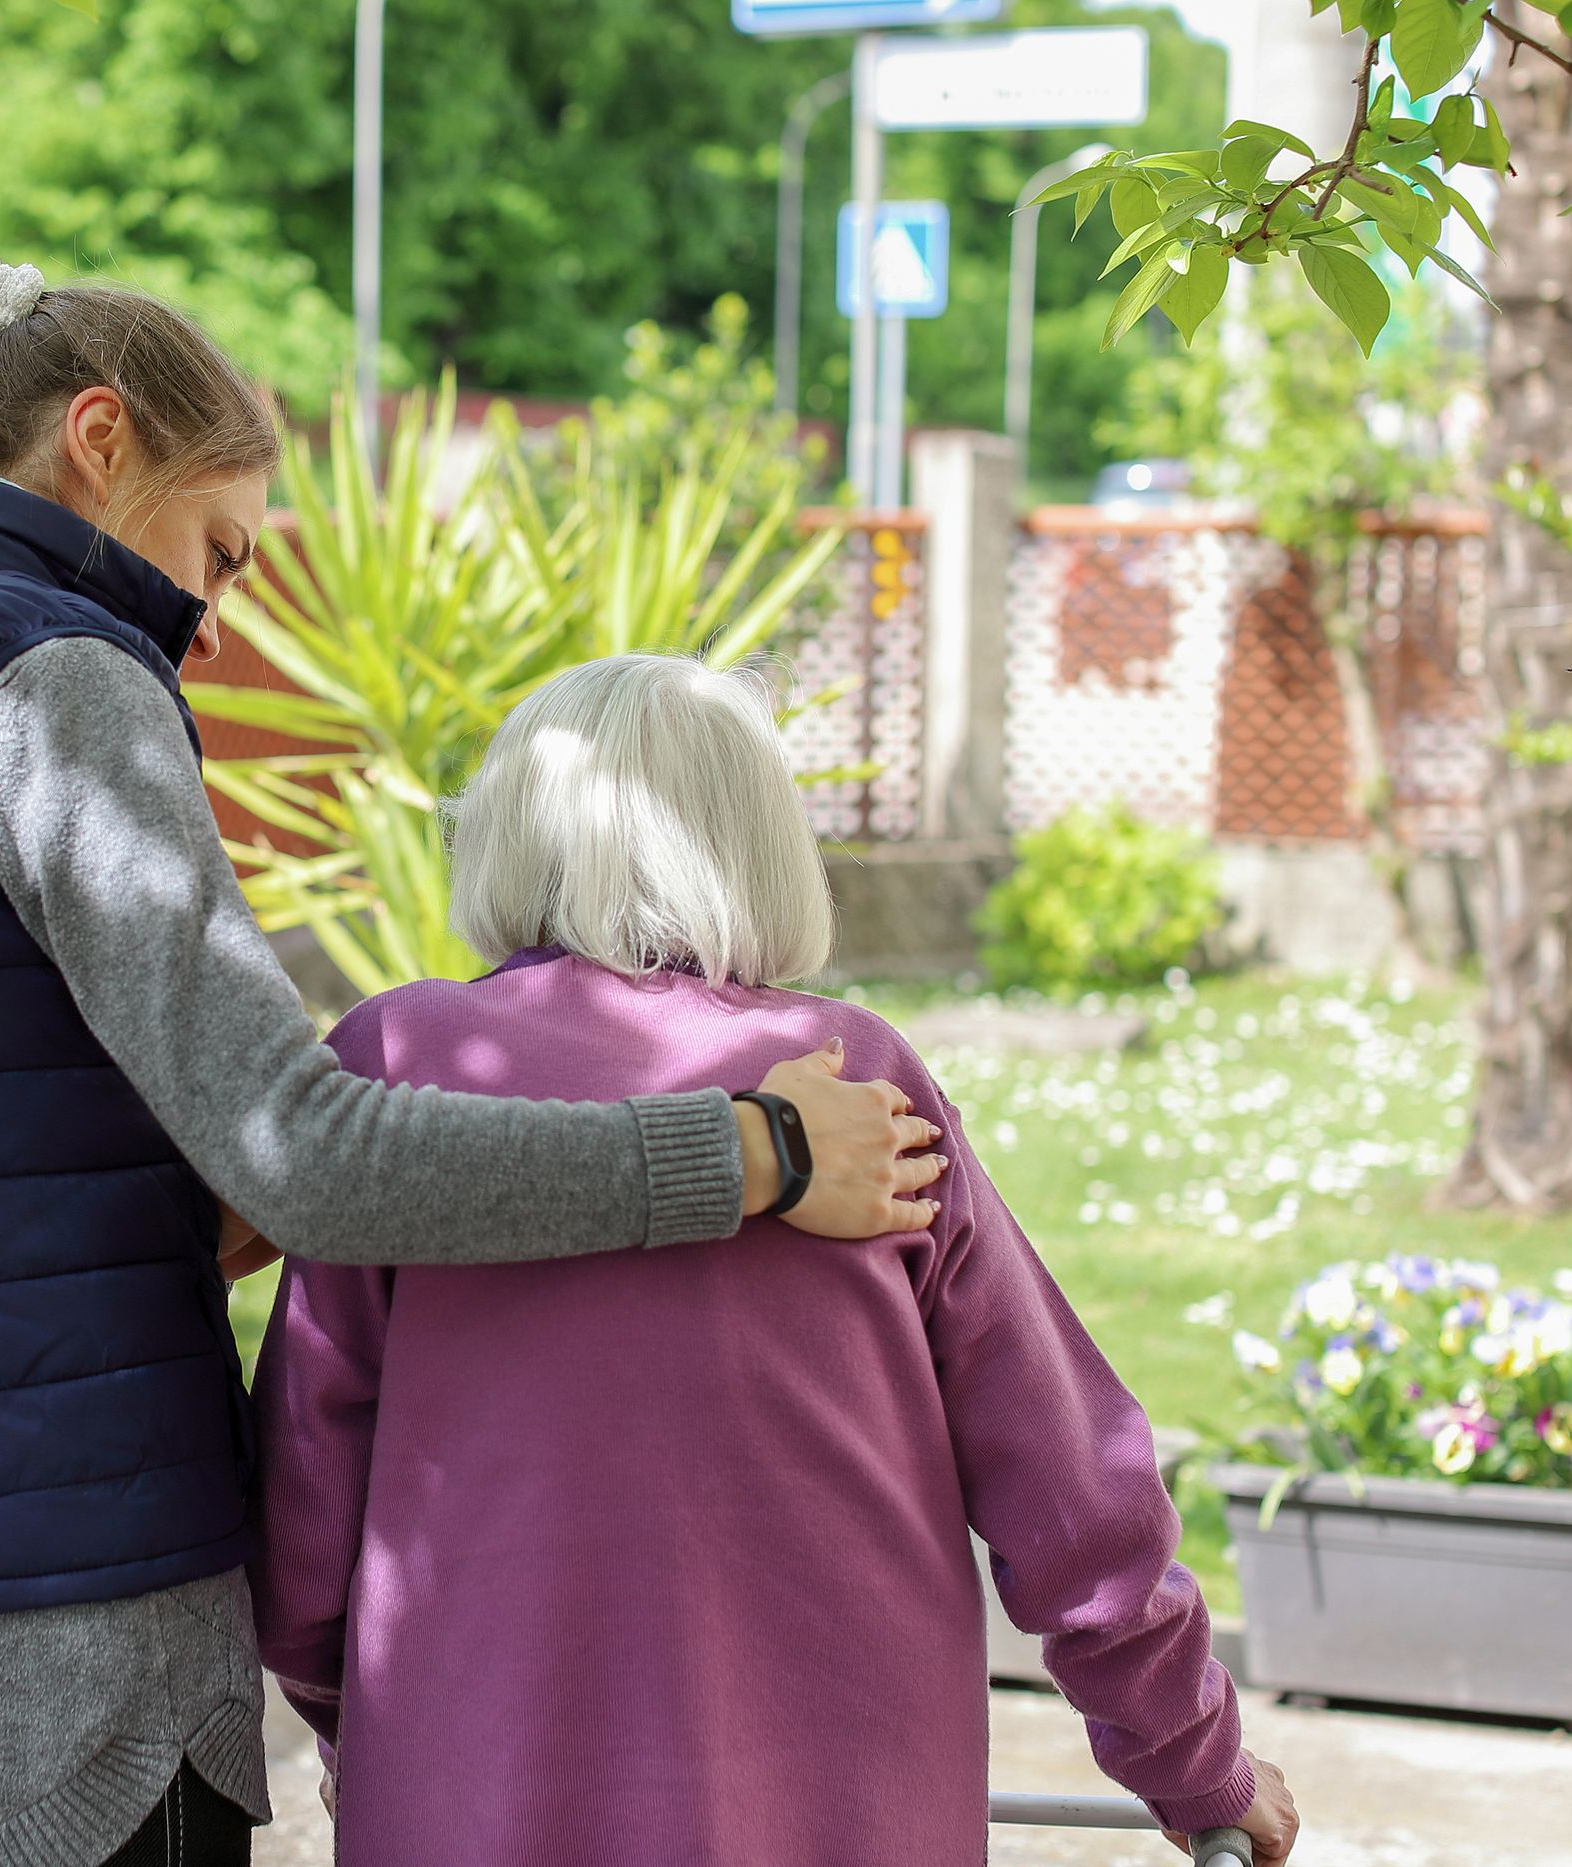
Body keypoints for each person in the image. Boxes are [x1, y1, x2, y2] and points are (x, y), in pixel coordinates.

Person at [0, 260, 948, 1867]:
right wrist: (752, 1153)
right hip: (68, 1634)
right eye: (216, 552)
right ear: (98, 440)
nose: (213, 611)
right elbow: (301, 1148)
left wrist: (168, 1214)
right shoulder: (53, 682)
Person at [250, 653, 1303, 1867]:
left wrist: (366, 1732)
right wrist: (1196, 1763)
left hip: (483, 1796)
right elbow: (1069, 1489)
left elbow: (304, 1510)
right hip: (844, 1810)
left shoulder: (400, 1062)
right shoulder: (853, 1083)